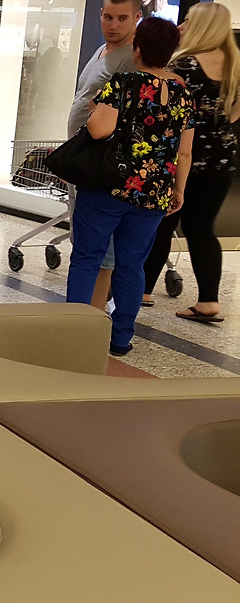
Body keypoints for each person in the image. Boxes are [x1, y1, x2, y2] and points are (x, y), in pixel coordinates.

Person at [66, 18, 193, 356]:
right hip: (153, 192)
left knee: (87, 258)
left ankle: (73, 334)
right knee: (132, 264)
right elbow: (184, 151)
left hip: (108, 186)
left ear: (136, 49)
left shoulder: (124, 83)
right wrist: (178, 189)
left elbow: (98, 130)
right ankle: (121, 338)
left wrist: (96, 108)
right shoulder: (183, 94)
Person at [143, 2, 240, 322]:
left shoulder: (183, 65)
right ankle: (209, 301)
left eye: (188, 20)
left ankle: (143, 290)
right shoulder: (236, 63)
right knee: (201, 228)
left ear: (201, 26)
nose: (181, 26)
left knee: (162, 222)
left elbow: (164, 110)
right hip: (222, 159)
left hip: (183, 155)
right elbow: (234, 114)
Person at [68, 0, 141, 311]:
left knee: (101, 246)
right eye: (108, 17)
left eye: (122, 18)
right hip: (83, 157)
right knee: (85, 237)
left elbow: (121, 114)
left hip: (103, 160)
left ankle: (96, 309)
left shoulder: (131, 59)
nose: (113, 25)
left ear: (137, 17)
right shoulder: (102, 50)